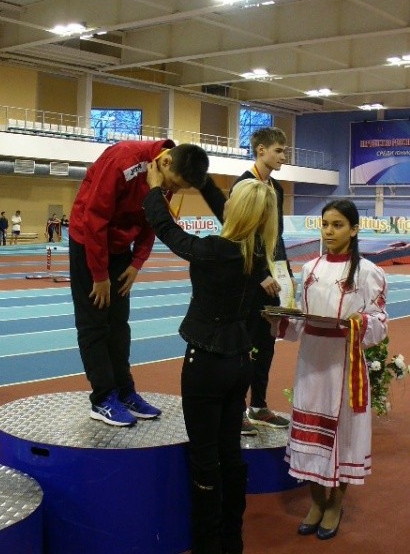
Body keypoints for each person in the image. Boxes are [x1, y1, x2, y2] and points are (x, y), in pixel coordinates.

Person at [144, 164, 279, 554]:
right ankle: (232, 541)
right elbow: (227, 211)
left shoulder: (215, 251)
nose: (226, 202)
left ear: (238, 210)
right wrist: (199, 176)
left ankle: (207, 545)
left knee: (205, 460)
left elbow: (169, 232)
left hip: (206, 363)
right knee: (229, 452)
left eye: (232, 199)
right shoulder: (257, 249)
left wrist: (154, 191)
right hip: (240, 363)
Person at [265, 199, 388, 540]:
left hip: (345, 366)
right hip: (311, 363)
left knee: (342, 437)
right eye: (325, 224)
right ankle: (317, 502)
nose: (329, 231)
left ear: (354, 229)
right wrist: (279, 319)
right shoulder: (309, 269)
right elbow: (300, 320)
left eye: (337, 225)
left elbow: (380, 321)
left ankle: (335, 505)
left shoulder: (368, 272)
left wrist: (360, 322)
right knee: (311, 438)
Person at [69, 139, 209, 428]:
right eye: (174, 184)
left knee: (119, 324)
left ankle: (125, 391)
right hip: (89, 243)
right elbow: (95, 218)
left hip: (121, 248)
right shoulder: (122, 161)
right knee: (95, 324)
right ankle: (103, 398)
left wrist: (136, 262)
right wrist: (99, 274)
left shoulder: (163, 175)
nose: (173, 190)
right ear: (165, 161)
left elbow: (152, 219)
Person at [232, 127, 296, 434]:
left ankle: (258, 406)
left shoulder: (277, 188)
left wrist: (286, 275)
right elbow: (242, 236)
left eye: (284, 151)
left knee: (266, 344)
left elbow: (275, 236)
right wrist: (261, 274)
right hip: (249, 281)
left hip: (273, 279)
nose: (283, 156)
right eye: (278, 150)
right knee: (243, 347)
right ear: (261, 150)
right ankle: (236, 411)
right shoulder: (242, 186)